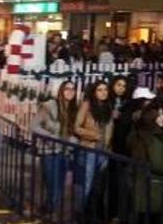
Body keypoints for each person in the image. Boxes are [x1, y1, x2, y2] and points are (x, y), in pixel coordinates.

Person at [127, 104, 163, 224]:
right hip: (153, 189)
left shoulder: (138, 136)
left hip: (141, 187)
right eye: (160, 115)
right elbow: (159, 165)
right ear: (153, 120)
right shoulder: (153, 141)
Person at [31, 80, 78, 214]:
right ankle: (49, 214)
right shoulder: (49, 106)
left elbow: (73, 131)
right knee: (53, 185)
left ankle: (49, 212)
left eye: (73, 89)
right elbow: (34, 126)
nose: (70, 92)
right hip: (50, 151)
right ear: (61, 91)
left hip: (65, 152)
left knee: (59, 186)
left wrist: (73, 139)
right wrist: (51, 136)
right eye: (67, 89)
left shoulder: (73, 110)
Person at [74, 80, 114, 208]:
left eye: (105, 90)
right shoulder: (87, 105)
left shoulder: (108, 107)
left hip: (104, 150)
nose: (103, 93)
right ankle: (84, 212)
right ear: (94, 92)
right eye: (99, 90)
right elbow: (77, 127)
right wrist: (94, 135)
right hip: (90, 149)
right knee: (88, 182)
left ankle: (94, 212)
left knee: (99, 184)